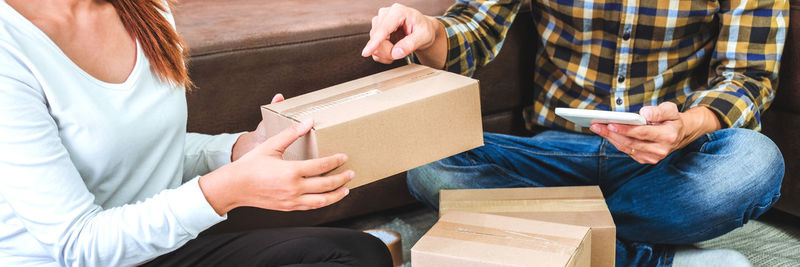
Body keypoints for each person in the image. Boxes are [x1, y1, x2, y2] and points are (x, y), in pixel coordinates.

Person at [362, 0, 787, 266]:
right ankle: (646, 260)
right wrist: (429, 30)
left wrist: (686, 127)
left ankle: (539, 240)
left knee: (756, 162)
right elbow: (474, 26)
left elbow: (748, 77)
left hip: (667, 160)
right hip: (552, 156)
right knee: (426, 159)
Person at [0, 0, 392, 266]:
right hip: (73, 259)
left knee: (356, 254)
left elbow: (135, 147)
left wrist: (239, 151)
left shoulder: (143, 8)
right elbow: (78, 245)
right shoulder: (10, 47)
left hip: (156, 250)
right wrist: (227, 190)